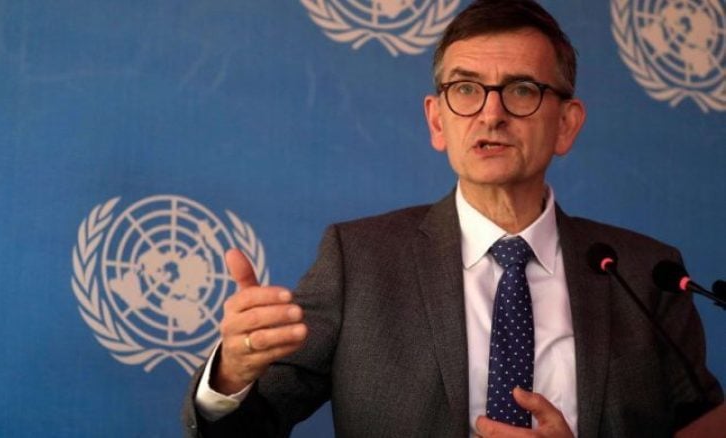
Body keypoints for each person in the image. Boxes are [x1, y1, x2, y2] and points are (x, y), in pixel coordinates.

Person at [182, 0, 723, 436]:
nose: (491, 113)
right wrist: (230, 375)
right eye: (466, 89)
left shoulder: (646, 274)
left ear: (566, 124)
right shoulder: (360, 261)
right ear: (438, 121)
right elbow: (245, 429)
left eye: (521, 90)